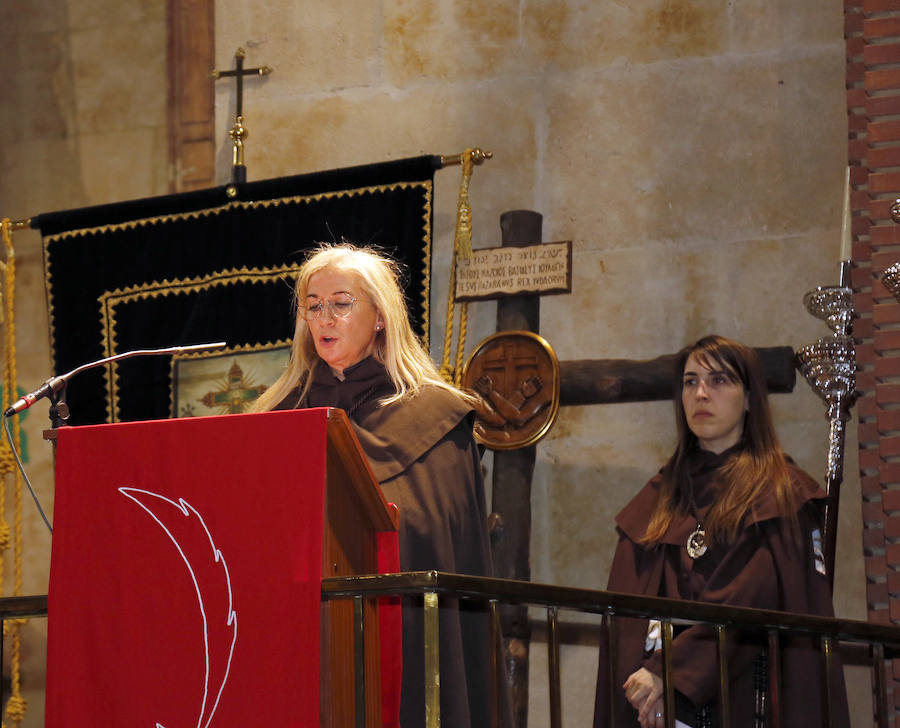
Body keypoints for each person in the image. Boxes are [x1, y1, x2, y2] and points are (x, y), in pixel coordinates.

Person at [252, 242, 496, 728]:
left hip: (404, 636)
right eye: (313, 306)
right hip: (300, 643)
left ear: (380, 314)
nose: (325, 318)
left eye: (341, 303)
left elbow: (439, 535)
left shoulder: (437, 414)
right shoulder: (276, 418)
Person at [592, 335, 850, 728]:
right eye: (690, 381)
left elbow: (752, 597)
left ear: (749, 398)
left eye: (719, 380)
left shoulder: (781, 492)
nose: (701, 393)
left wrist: (669, 672)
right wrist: (651, 684)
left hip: (748, 693)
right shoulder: (661, 493)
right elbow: (630, 610)